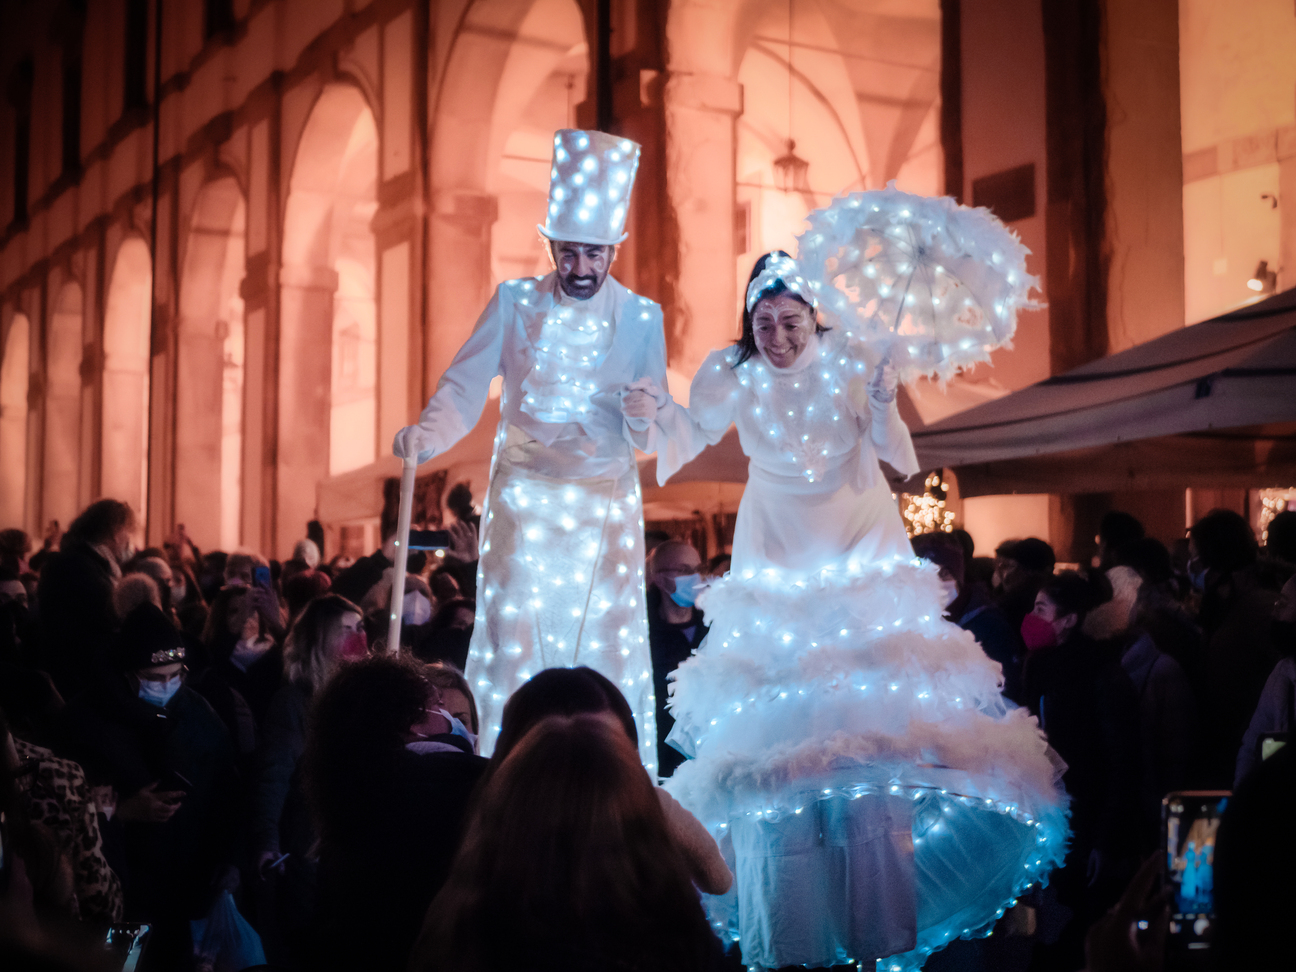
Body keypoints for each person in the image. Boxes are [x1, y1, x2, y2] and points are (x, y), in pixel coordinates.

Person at [637, 252, 1069, 969]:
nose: (776, 335)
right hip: (776, 544)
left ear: (814, 317)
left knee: (871, 750)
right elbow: (686, 436)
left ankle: (877, 932)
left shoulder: (852, 361)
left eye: (790, 321)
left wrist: (879, 400)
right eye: (763, 321)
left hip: (857, 537)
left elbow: (897, 453)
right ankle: (793, 936)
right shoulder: (732, 371)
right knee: (780, 761)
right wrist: (652, 413)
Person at [392, 130, 666, 765]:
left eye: (593, 255)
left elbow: (652, 431)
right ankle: (510, 769)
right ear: (551, 248)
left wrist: (644, 415)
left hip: (605, 502)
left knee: (605, 645)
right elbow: (465, 383)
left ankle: (611, 768)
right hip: (523, 495)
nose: (579, 269)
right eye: (568, 253)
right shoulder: (513, 303)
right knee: (514, 640)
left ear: (612, 253)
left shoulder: (644, 317)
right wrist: (427, 435)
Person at [409, 715, 722, 972]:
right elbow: (719, 880)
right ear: (636, 814)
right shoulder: (671, 931)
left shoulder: (462, 922)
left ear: (505, 807)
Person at [59, 604, 238, 967]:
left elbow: (226, 789)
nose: (168, 686)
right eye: (155, 678)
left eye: (176, 675)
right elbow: (66, 810)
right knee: (124, 965)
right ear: (128, 675)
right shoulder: (87, 721)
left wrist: (232, 857)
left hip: (183, 890)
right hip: (121, 895)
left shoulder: (197, 712)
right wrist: (124, 812)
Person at [304, 654, 487, 972]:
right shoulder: (473, 784)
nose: (450, 718)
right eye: (438, 706)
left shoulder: (350, 803)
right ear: (411, 719)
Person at [1021, 571, 1140, 971]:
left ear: (1069, 619)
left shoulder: (1098, 673)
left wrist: (1106, 839)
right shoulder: (1039, 667)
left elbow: (1120, 759)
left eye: (1042, 609)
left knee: (1074, 922)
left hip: (1084, 813)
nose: (1031, 618)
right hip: (1045, 807)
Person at [37, 499, 137, 696]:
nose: (129, 540)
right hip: (78, 679)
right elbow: (107, 616)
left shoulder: (82, 562)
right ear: (116, 530)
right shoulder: (79, 566)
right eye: (129, 531)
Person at [912, 531, 1025, 703]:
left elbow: (1007, 689)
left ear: (959, 576)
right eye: (924, 573)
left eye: (943, 573)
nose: (933, 581)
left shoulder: (989, 625)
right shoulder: (908, 621)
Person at [644, 539, 708, 777]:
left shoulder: (715, 623)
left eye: (698, 569)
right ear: (659, 578)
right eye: (684, 570)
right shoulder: (644, 633)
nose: (695, 577)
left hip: (710, 753)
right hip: (663, 757)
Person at [1233, 573, 1296, 785]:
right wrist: (1244, 801)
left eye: (1284, 603)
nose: (1274, 609)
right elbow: (1252, 746)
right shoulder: (1283, 671)